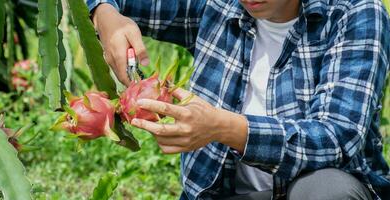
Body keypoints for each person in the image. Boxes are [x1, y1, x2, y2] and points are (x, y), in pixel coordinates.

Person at [87, 0, 390, 199]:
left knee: (329, 191)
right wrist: (105, 14)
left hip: (313, 193)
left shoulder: (355, 13)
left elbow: (336, 137)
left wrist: (221, 127)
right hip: (226, 194)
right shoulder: (215, 5)